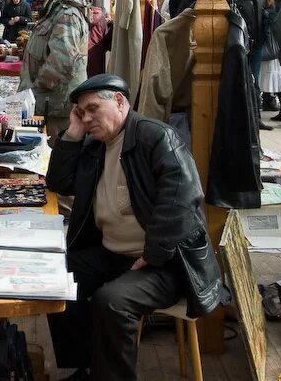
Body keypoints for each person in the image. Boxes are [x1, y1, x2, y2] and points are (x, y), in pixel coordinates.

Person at [45, 74, 223, 381]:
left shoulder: (155, 138)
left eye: (92, 109)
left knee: (112, 302)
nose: (87, 118)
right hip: (113, 253)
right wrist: (73, 133)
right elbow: (59, 182)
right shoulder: (94, 145)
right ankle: (87, 369)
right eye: (81, 112)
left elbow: (180, 201)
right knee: (51, 277)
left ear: (119, 101)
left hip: (168, 262)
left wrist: (153, 255)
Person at [18, 0, 89, 146]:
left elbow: (62, 61)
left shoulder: (66, 13)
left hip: (56, 106)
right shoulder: (55, 10)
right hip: (50, 103)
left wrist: (35, 88)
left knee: (55, 158)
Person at [235, 0, 273, 130]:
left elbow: (262, 18)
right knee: (240, 82)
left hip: (256, 45)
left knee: (255, 83)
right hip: (241, 46)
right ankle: (242, 119)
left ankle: (255, 118)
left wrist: (263, 36)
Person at [70, 0, 111, 77]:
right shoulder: (101, 18)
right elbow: (108, 44)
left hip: (75, 73)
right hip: (96, 72)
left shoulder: (69, 16)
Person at [259, 0, 281, 118]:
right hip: (274, 51)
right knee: (277, 79)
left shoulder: (264, 11)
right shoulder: (277, 8)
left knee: (262, 78)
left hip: (263, 50)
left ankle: (272, 105)